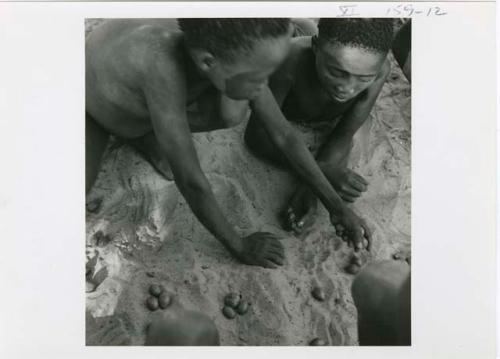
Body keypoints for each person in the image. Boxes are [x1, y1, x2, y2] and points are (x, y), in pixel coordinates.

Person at [245, 18, 393, 244]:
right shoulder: (288, 61)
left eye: (364, 78)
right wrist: (324, 172)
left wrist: (311, 188)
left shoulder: (378, 71)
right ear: (315, 47)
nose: (348, 88)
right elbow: (256, 137)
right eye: (336, 72)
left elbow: (344, 133)